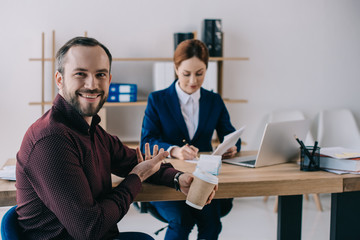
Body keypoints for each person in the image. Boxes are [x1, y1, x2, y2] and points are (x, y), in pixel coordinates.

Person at [16, 37, 216, 240]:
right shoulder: (50, 140)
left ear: (109, 80)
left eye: (100, 74)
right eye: (80, 74)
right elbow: (90, 229)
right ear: (59, 80)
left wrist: (177, 178)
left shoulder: (92, 130)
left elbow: (137, 161)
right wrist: (135, 178)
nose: (92, 84)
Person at [140, 39, 241, 240]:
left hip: (202, 179)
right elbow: (147, 141)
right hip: (168, 178)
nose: (193, 80)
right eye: (186, 74)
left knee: (212, 224)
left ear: (206, 70)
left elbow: (230, 134)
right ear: (176, 69)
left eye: (200, 73)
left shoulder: (214, 100)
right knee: (181, 220)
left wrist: (232, 147)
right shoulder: (157, 99)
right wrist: (174, 150)